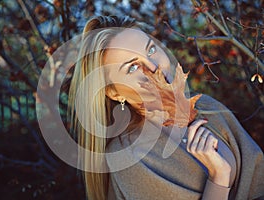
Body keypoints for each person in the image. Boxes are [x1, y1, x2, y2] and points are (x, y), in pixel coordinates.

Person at [66, 15, 264, 200]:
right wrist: (219, 177)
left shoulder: (205, 106)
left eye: (151, 50)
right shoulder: (129, 158)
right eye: (132, 68)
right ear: (114, 93)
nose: (155, 67)